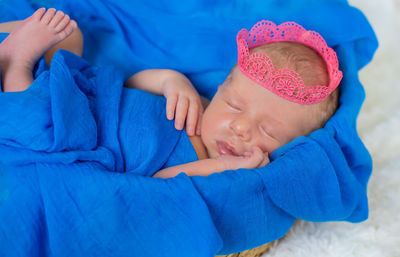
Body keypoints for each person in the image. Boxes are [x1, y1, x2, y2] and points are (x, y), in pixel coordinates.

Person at [0, 9, 341, 179]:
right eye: (234, 105)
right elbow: (130, 85)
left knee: (44, 124)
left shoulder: (219, 168)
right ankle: (13, 54)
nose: (241, 129)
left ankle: (15, 67)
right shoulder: (202, 106)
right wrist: (171, 81)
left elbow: (161, 182)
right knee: (69, 36)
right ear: (222, 89)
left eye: (269, 132)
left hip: (82, 140)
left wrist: (219, 166)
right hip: (93, 97)